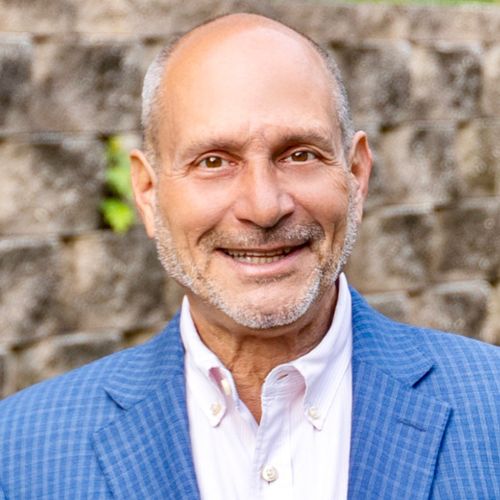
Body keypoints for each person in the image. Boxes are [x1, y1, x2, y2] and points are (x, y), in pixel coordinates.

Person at [0, 13, 498, 500]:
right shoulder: (22, 453)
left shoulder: (489, 406)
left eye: (299, 154)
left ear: (356, 175)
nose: (263, 207)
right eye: (214, 161)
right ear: (148, 193)